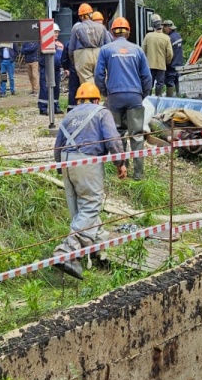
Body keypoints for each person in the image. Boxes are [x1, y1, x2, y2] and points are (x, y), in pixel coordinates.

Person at [51, 83, 126, 280]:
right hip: (87, 160)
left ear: (78, 100)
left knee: (80, 209)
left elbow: (58, 146)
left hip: (67, 161)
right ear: (96, 99)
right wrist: (120, 163)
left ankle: (99, 250)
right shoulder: (102, 112)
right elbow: (112, 139)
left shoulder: (69, 116)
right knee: (91, 206)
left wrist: (62, 168)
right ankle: (67, 252)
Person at [94, 17, 152, 180]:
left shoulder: (105, 50)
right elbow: (147, 77)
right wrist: (142, 95)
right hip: (134, 97)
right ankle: (139, 175)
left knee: (118, 134)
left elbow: (98, 75)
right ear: (128, 32)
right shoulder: (138, 50)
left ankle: (122, 169)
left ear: (112, 32)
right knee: (137, 136)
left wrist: (106, 92)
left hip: (115, 97)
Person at [67, 3, 110, 85]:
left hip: (83, 56)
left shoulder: (76, 28)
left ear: (80, 16)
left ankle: (90, 97)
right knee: (101, 80)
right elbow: (108, 44)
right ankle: (101, 96)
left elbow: (71, 49)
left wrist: (74, 61)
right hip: (99, 54)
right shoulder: (101, 27)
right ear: (91, 14)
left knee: (87, 83)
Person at [143, 18, 174, 96]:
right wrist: (167, 62)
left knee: (150, 83)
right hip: (161, 65)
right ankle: (158, 98)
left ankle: (148, 99)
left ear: (153, 26)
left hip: (150, 64)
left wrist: (146, 61)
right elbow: (170, 53)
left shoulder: (148, 36)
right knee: (160, 84)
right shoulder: (166, 38)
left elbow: (143, 50)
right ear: (162, 27)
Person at [38, 42, 63, 115]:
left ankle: (55, 107)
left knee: (56, 89)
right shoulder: (45, 41)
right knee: (44, 89)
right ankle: (43, 108)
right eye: (55, 32)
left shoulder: (60, 44)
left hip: (56, 69)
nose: (56, 34)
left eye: (57, 32)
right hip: (46, 68)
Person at [163, 20, 184, 97]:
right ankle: (180, 96)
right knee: (178, 81)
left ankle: (169, 98)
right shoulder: (178, 36)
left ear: (168, 28)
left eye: (165, 27)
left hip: (171, 65)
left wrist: (166, 63)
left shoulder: (169, 38)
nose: (164, 29)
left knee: (170, 82)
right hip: (179, 63)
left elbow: (168, 53)